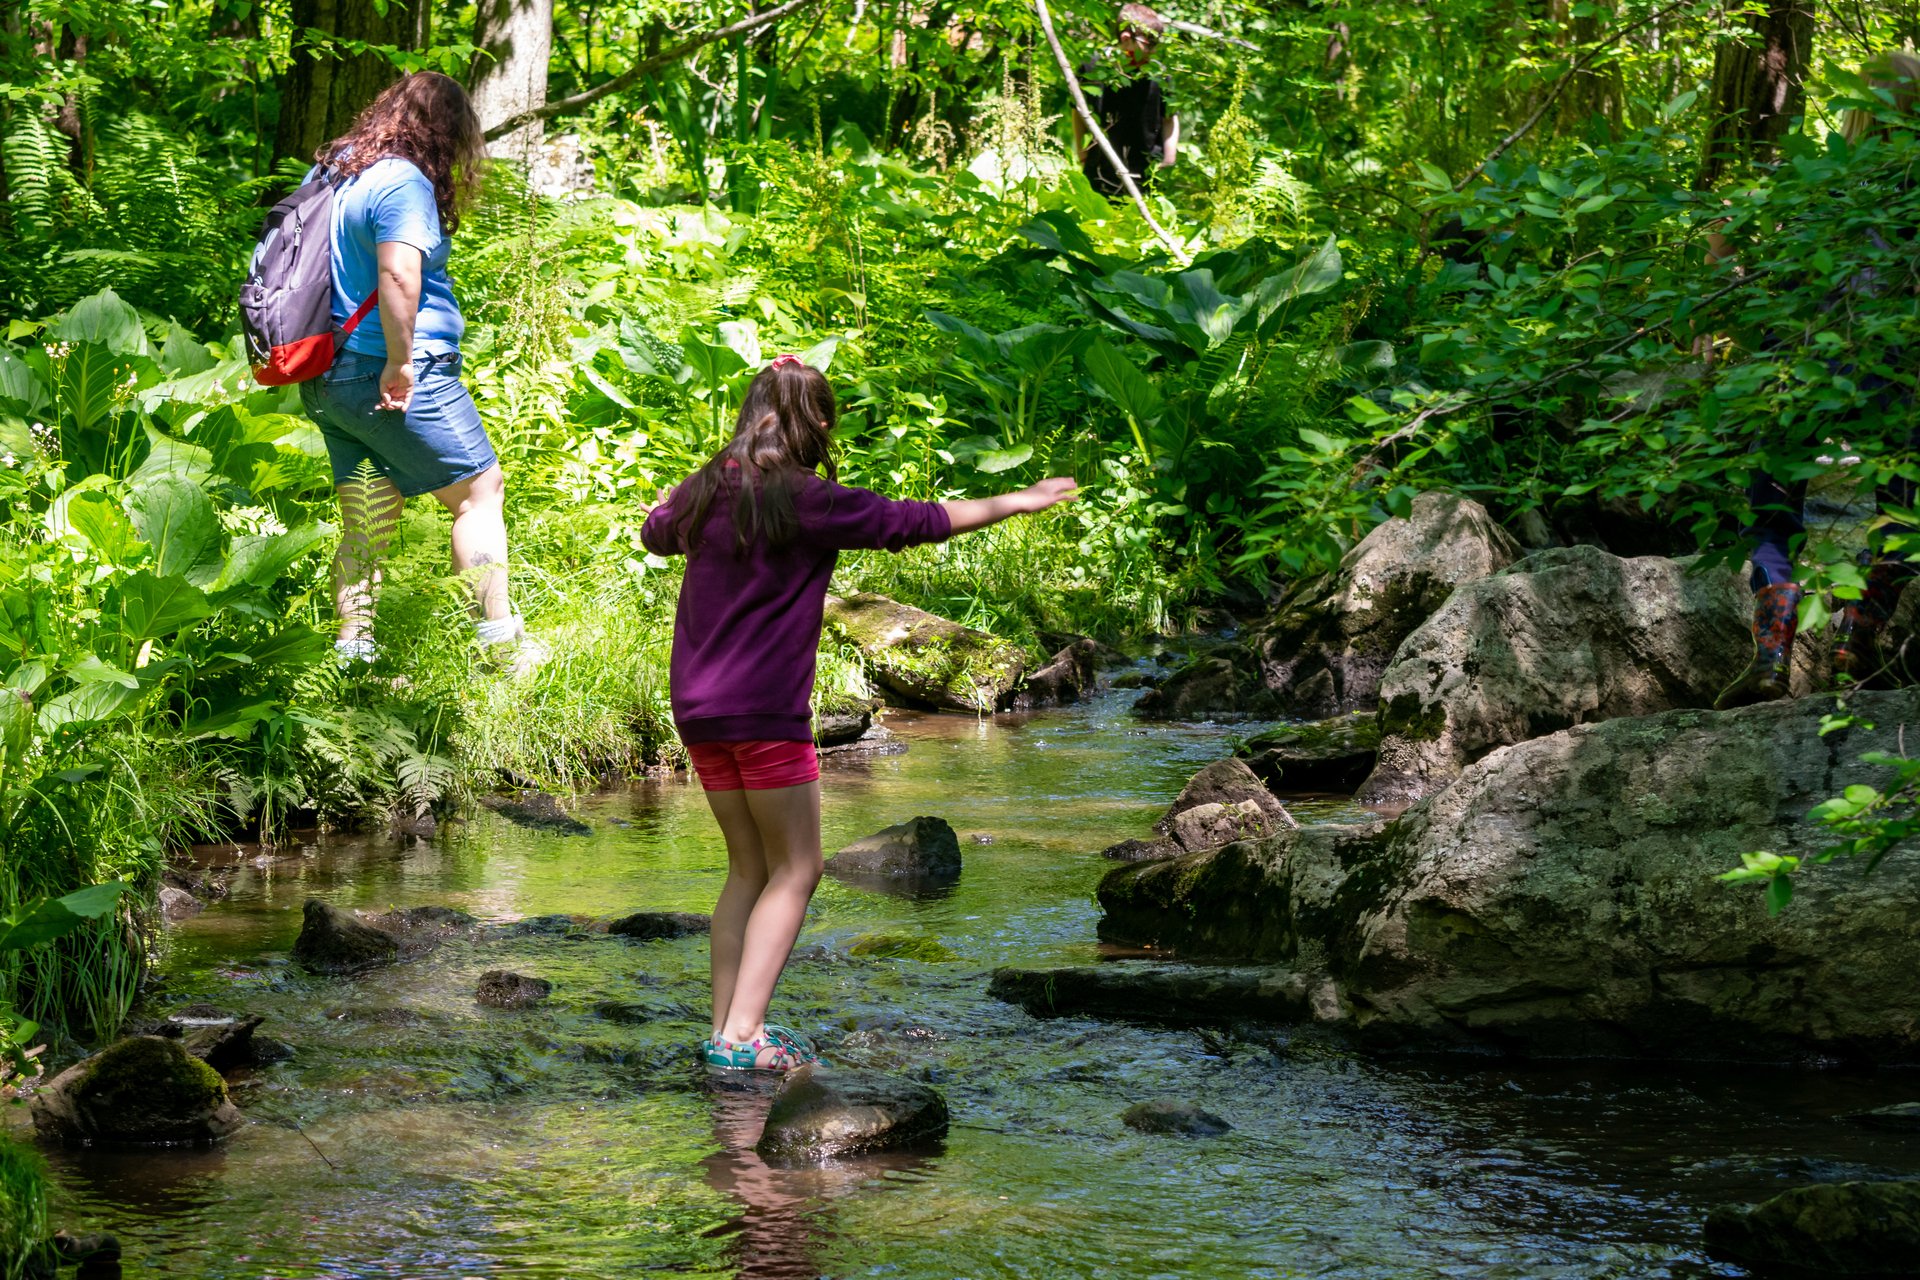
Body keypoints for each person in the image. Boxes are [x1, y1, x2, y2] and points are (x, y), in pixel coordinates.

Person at [639, 356, 1078, 1071]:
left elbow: (654, 533)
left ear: (751, 418)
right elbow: (922, 522)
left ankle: (724, 1030)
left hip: (698, 710)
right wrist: (1018, 500)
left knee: (747, 869)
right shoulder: (809, 500)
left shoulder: (709, 487)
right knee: (798, 870)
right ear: (817, 423)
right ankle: (742, 1037)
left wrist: (670, 503)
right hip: (764, 711)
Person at [298, 71, 542, 671]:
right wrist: (401, 363)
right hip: (391, 370)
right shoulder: (402, 181)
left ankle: (353, 658)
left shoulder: (336, 172)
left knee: (368, 514)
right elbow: (399, 275)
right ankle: (499, 653)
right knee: (479, 494)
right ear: (447, 133)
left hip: (326, 374)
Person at [1716, 51, 1920, 709]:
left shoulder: (1815, 181)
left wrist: (1722, 255)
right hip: (1890, 368)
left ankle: (1772, 658)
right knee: (1904, 508)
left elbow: (1765, 298)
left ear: (1860, 104)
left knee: (1774, 514)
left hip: (1797, 365)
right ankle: (1853, 644)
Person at [1073, 3, 1180, 198]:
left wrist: (1169, 158)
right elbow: (1079, 111)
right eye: (1149, 45)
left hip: (1146, 170)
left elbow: (1169, 117)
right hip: (1101, 166)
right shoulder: (1093, 68)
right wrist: (1081, 150)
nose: (1153, 51)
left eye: (1156, 44)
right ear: (1125, 38)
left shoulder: (1159, 75)